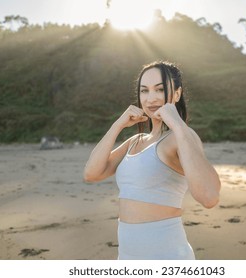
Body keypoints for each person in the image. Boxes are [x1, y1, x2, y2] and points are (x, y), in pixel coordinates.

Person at [84, 61, 221, 260]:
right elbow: (91, 173)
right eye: (144, 91)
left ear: (176, 94)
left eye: (160, 90)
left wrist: (177, 124)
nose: (151, 99)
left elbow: (209, 197)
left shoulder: (180, 137)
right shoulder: (135, 141)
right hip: (127, 257)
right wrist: (118, 125)